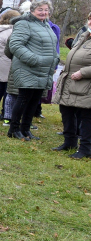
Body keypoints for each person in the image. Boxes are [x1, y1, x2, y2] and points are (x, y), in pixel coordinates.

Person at [6, 0, 59, 140]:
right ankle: (14, 129)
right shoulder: (24, 24)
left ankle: (26, 129)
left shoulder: (46, 24)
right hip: (28, 67)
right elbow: (15, 45)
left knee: (34, 101)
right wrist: (34, 59)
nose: (43, 12)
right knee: (23, 99)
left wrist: (54, 60)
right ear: (32, 10)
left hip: (43, 70)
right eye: (39, 9)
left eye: (46, 10)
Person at [51, 27, 91, 158]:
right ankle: (69, 142)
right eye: (89, 19)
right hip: (70, 81)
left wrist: (83, 73)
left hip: (86, 83)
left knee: (86, 116)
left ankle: (86, 149)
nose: (90, 22)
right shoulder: (84, 36)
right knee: (66, 110)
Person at [0, 10, 21, 118]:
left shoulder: (1, 29)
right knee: (7, 87)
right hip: (5, 60)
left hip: (0, 59)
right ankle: (5, 112)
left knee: (1, 86)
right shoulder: (10, 31)